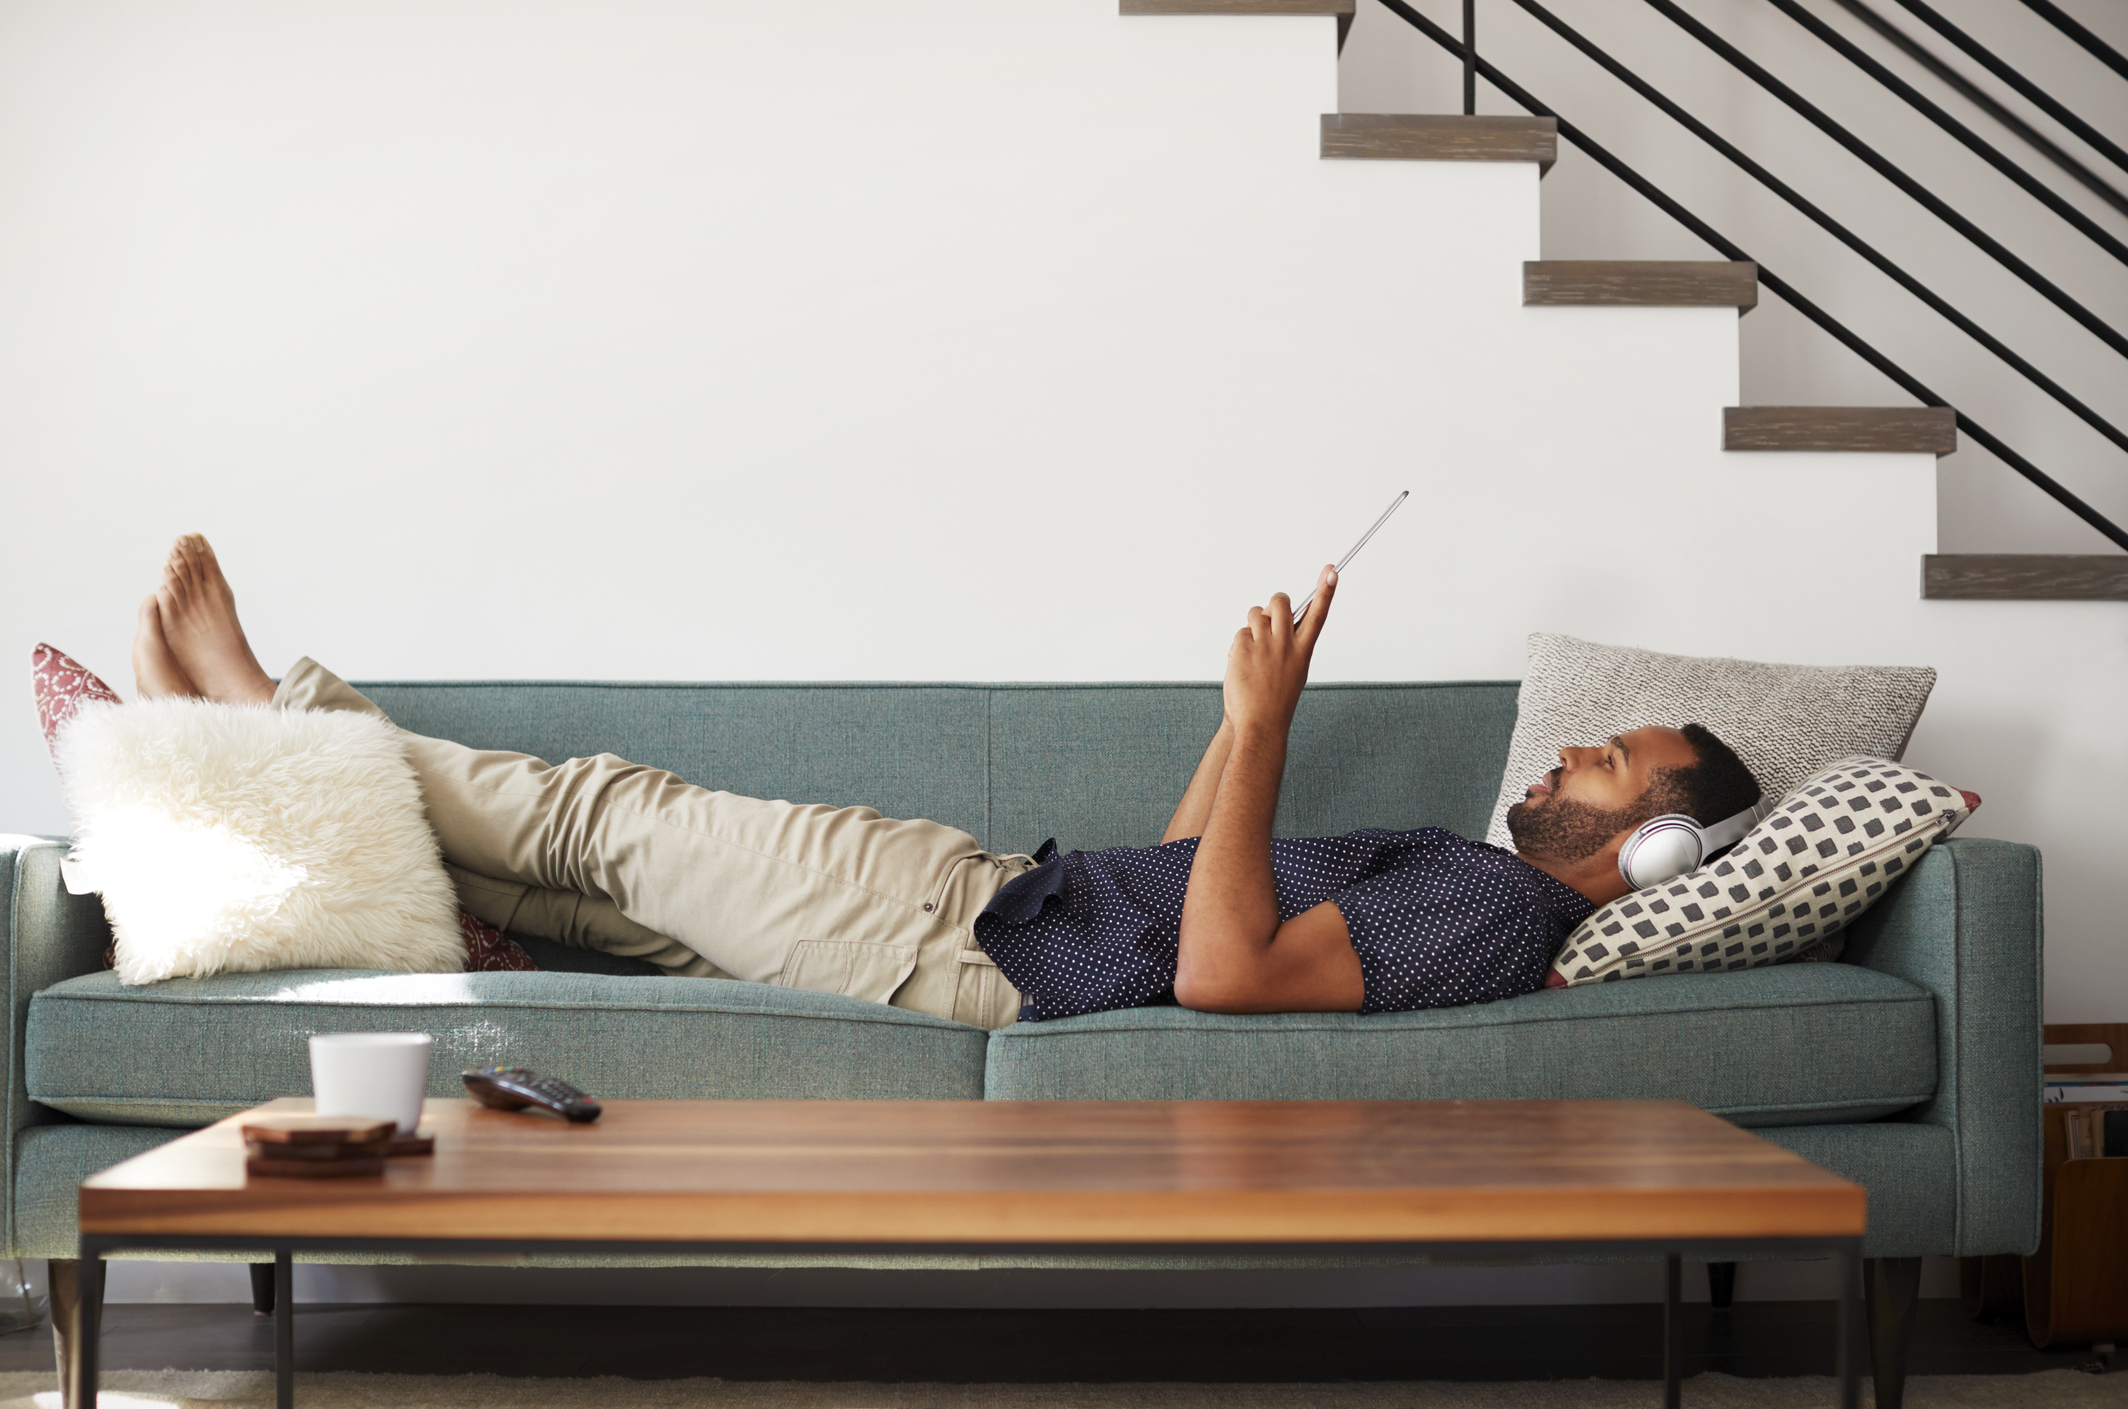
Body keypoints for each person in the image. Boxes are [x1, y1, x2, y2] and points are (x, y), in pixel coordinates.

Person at [131, 535, 1760, 1029]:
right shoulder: (1478, 897)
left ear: (1656, 843)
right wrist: (1245, 711)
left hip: (955, 938)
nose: (1558, 753)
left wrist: (1270, 732)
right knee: (550, 887)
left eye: (1600, 760)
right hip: (1000, 917)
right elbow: (1188, 880)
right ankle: (251, 752)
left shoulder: (1491, 906)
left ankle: (263, 702)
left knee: (598, 822)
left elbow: (1218, 973)